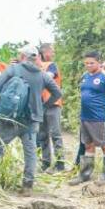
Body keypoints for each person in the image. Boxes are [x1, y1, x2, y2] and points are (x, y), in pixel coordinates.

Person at [0, 46, 62, 194]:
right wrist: (43, 106)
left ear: (22, 56)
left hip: (9, 118)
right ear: (36, 58)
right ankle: (27, 185)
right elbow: (57, 93)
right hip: (32, 120)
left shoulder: (13, 70)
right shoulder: (43, 75)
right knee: (30, 151)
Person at [68, 51, 105, 184]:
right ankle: (85, 174)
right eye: (86, 63)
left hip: (100, 118)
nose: (89, 65)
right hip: (85, 117)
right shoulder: (84, 76)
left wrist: (103, 110)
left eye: (92, 63)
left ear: (99, 63)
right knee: (88, 145)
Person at [37, 42, 65, 172]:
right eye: (52, 51)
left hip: (53, 104)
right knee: (42, 135)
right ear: (45, 52)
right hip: (40, 105)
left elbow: (48, 77)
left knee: (55, 134)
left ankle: (60, 164)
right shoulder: (37, 66)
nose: (53, 53)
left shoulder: (51, 65)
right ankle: (46, 163)